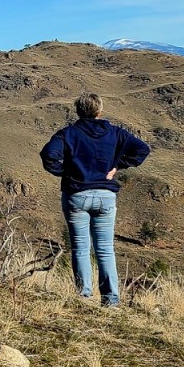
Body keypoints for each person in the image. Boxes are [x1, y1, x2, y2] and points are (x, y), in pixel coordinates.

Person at [39, 92, 150, 308]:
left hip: (76, 195)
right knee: (105, 248)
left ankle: (84, 296)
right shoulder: (116, 133)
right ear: (100, 110)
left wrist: (66, 173)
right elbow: (142, 149)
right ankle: (110, 299)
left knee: (80, 247)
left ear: (79, 111)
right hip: (106, 196)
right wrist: (118, 166)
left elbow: (48, 155)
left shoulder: (68, 134)